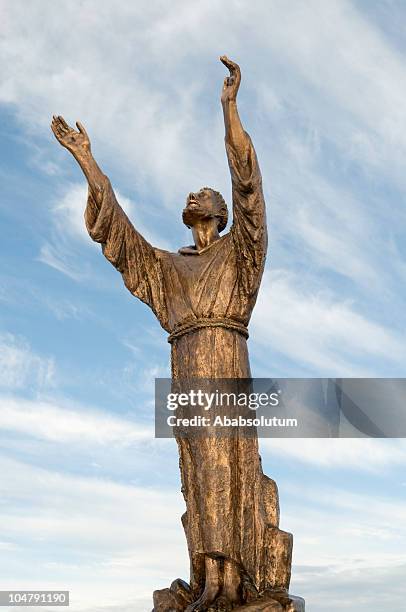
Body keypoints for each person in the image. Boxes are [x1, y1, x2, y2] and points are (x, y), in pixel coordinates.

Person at [51, 57, 282, 611]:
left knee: (229, 465)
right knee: (196, 471)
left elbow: (250, 188)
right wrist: (88, 162)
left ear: (221, 212)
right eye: (191, 194)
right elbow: (123, 238)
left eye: (204, 194)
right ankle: (206, 579)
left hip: (225, 356)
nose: (193, 197)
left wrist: (228, 108)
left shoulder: (242, 256)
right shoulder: (168, 268)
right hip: (185, 359)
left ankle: (234, 583)